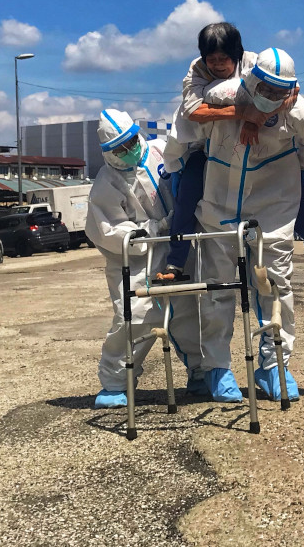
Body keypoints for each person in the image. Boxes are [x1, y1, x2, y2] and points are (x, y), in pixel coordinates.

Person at [159, 23, 304, 281]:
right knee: (187, 193)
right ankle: (175, 262)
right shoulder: (197, 71)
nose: (216, 65)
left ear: (237, 54)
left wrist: (256, 120)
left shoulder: (255, 63)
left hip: (258, 147)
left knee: (294, 187)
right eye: (211, 59)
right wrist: (243, 113)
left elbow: (286, 92)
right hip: (209, 147)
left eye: (223, 59)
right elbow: (193, 112)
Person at [192, 47, 304, 401]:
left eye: (279, 91)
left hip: (273, 209)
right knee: (218, 288)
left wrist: (297, 171)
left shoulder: (299, 112)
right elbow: (188, 121)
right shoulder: (225, 95)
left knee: (275, 285)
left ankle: (273, 365)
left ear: (292, 90)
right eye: (265, 89)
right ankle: (217, 368)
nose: (271, 98)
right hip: (219, 204)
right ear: (251, 79)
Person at [86, 108, 200, 409]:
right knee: (134, 317)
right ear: (107, 153)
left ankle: (202, 373)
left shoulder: (162, 151)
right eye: (119, 149)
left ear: (138, 135)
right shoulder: (106, 183)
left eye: (130, 142)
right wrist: (156, 228)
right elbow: (108, 230)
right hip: (138, 259)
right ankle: (115, 383)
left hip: (179, 248)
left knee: (188, 311)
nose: (127, 151)